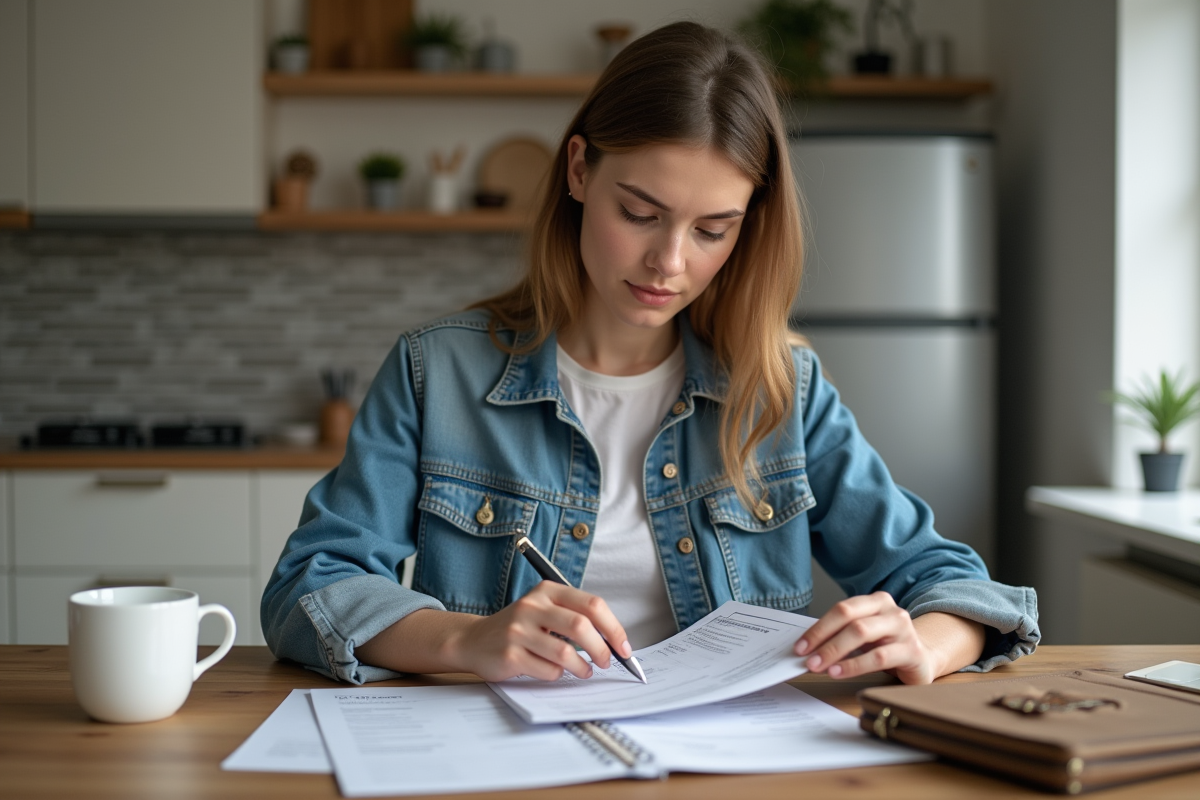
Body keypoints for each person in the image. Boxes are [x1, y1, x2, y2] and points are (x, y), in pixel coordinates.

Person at [262, 21, 1039, 687]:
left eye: (712, 230)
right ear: (577, 171)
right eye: (640, 212)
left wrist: (922, 646)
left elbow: (956, 586)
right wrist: (464, 640)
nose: (670, 261)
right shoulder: (439, 374)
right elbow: (309, 586)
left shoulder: (779, 391)